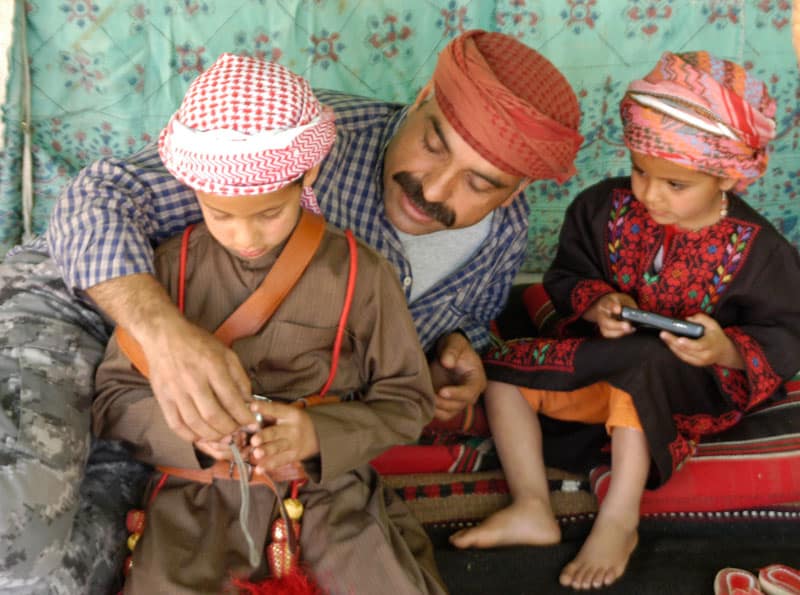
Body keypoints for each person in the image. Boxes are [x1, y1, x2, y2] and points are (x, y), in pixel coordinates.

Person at [0, 30, 582, 588]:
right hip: (71, 311)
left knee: (63, 576)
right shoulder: (295, 136)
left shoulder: (502, 236)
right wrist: (162, 335)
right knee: (17, 547)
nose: (435, 189)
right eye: (433, 144)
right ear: (423, 97)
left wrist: (461, 353)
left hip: (170, 424)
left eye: (480, 185)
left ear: (516, 191)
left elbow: (454, 336)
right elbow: (96, 200)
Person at [92, 52, 445, 594]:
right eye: (221, 215)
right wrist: (191, 436)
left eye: (270, 213)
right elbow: (115, 397)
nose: (246, 237)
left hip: (323, 492)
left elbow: (408, 401)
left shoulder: (363, 276)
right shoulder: (166, 270)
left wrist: (316, 435)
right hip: (196, 497)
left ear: (311, 172)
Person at [449, 50, 800, 590]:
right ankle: (531, 506)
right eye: (640, 171)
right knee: (499, 368)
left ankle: (619, 519)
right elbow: (567, 274)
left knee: (642, 365)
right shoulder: (599, 207)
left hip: (685, 383)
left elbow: (785, 332)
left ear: (727, 178)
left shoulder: (762, 252)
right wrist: (595, 303)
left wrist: (723, 350)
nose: (647, 194)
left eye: (674, 185)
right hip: (599, 358)